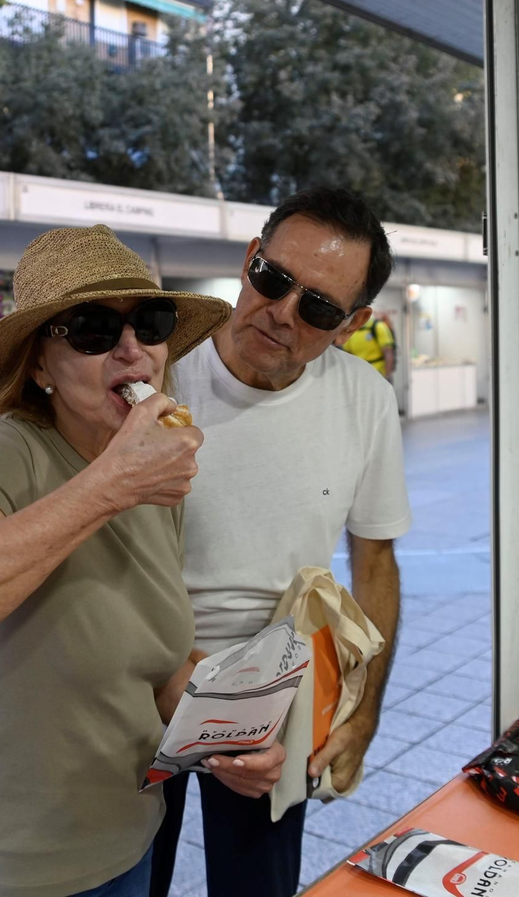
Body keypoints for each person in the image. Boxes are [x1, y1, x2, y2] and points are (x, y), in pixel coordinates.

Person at [0, 225, 271, 897]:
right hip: (6, 864)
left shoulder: (159, 475)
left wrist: (233, 739)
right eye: (94, 330)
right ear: (40, 366)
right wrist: (109, 486)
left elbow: (157, 668)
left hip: (126, 842)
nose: (132, 348)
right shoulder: (12, 451)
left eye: (149, 324)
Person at [151, 187, 412, 897]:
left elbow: (375, 560)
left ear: (353, 322)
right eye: (272, 278)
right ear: (248, 260)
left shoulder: (364, 399)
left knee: (257, 889)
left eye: (320, 307)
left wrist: (363, 713)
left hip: (275, 703)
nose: (283, 311)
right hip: (140, 681)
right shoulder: (158, 372)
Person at [340, 313, 397, 381]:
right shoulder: (349, 331)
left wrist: (387, 375)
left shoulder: (377, 326)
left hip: (378, 373)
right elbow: (348, 354)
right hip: (359, 375)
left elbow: (388, 352)